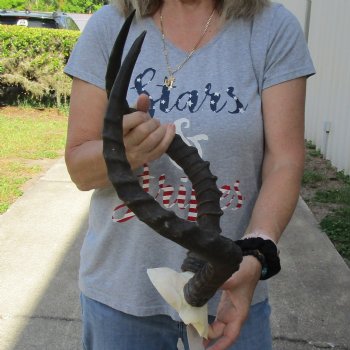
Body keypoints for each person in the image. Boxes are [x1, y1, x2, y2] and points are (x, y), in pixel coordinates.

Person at [64, 0, 315, 349]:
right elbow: (78, 168)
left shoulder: (272, 28)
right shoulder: (110, 25)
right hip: (121, 299)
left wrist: (257, 252)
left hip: (229, 287)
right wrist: (123, 153)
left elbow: (284, 160)